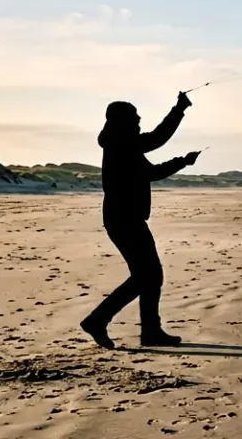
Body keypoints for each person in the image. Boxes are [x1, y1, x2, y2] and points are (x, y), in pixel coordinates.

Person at [80, 91, 201, 349]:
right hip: (124, 219)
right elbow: (158, 138)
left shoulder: (121, 144)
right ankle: (102, 320)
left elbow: (151, 172)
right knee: (148, 276)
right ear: (122, 121)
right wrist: (179, 109)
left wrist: (182, 162)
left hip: (123, 218)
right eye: (134, 117)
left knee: (148, 275)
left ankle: (146, 330)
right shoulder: (122, 144)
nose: (139, 119)